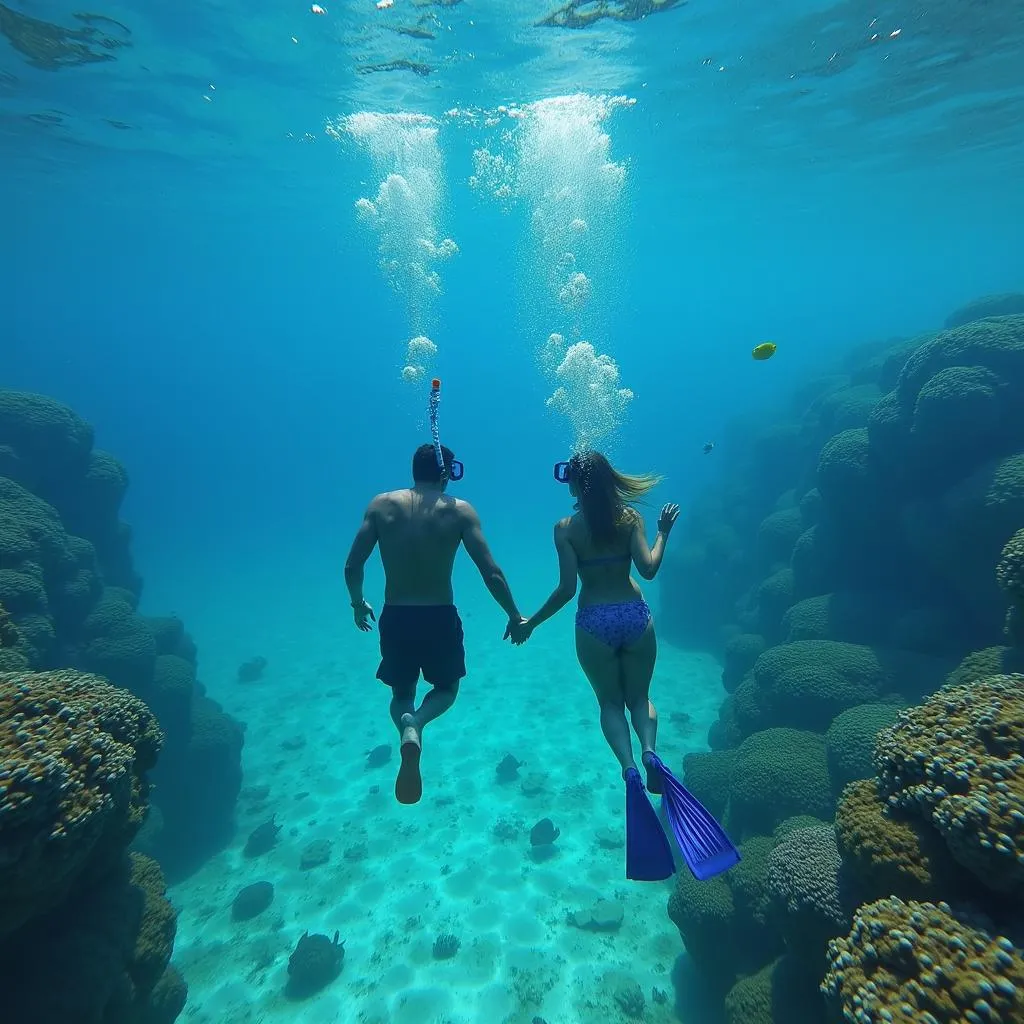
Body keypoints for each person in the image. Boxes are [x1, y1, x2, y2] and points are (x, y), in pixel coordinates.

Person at [344, 442, 523, 805]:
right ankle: (419, 722)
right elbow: (491, 572)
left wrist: (358, 603)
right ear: (446, 472)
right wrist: (513, 614)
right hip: (438, 615)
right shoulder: (459, 511)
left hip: (396, 615)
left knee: (400, 693)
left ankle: (406, 720)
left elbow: (352, 565)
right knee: (446, 688)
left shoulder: (380, 505)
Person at [508, 450, 679, 791]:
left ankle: (629, 768)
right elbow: (648, 569)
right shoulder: (630, 518)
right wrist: (663, 533)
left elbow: (566, 590)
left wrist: (531, 623)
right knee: (639, 698)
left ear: (575, 483)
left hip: (593, 622)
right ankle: (649, 753)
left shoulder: (565, 530)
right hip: (634, 614)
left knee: (610, 703)